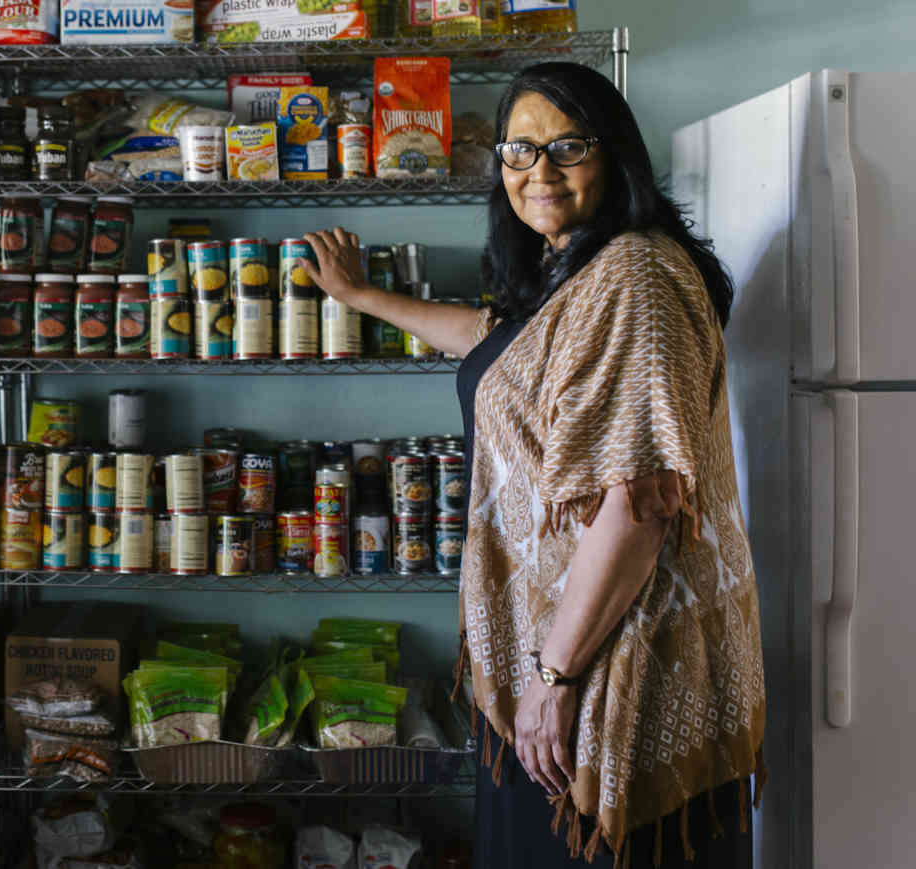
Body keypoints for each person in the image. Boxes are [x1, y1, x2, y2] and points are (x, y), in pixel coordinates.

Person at [301, 62, 766, 868]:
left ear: (614, 157)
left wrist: (552, 679)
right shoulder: (576, 274)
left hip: (605, 665)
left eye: (566, 147)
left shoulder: (634, 278)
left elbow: (640, 505)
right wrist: (363, 297)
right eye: (519, 151)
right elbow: (496, 347)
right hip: (566, 650)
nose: (537, 172)